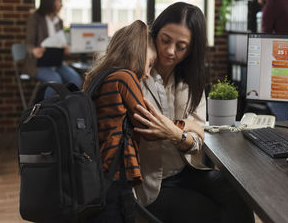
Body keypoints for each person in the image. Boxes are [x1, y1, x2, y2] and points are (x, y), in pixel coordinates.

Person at [132, 2, 255, 223]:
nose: (170, 51)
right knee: (210, 214)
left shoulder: (190, 81)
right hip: (150, 180)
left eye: (181, 46)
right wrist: (185, 128)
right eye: (165, 40)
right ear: (155, 33)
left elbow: (198, 139)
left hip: (185, 170)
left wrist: (175, 133)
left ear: (191, 49)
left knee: (239, 199)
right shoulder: (138, 73)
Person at [83, 20, 203, 223]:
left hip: (97, 171)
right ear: (136, 53)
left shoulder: (97, 77)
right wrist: (190, 125)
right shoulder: (125, 78)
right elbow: (150, 125)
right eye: (148, 64)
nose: (147, 73)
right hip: (116, 171)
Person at [250, 0, 288, 120]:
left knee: (273, 97)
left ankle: (286, 127)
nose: (259, 1)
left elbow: (265, 40)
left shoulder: (270, 6)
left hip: (281, 60)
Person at [25, 0, 82, 98]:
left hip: (56, 61)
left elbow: (60, 41)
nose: (61, 4)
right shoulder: (35, 18)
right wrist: (34, 50)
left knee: (76, 79)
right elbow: (28, 43)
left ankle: (68, 108)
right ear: (50, 2)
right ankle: (48, 111)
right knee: (55, 80)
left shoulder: (59, 21)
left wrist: (65, 48)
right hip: (38, 63)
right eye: (59, 1)